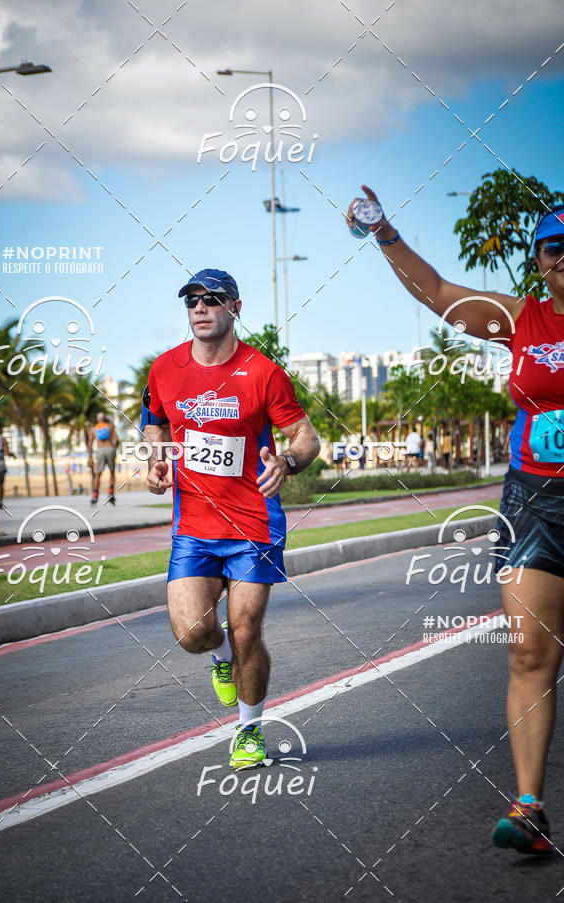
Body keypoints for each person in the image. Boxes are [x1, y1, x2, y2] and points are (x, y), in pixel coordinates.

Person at [347, 187, 564, 855]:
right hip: (536, 501)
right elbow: (439, 291)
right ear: (539, 260)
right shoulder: (522, 319)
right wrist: (384, 232)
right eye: (556, 249)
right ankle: (529, 808)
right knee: (530, 650)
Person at [144, 268, 319, 769]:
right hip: (193, 526)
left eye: (211, 299)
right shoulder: (164, 369)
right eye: (191, 300)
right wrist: (155, 460)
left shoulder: (263, 372)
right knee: (193, 634)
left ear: (235, 307)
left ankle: (248, 730)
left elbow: (306, 438)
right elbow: (156, 423)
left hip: (252, 525)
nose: (199, 308)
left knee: (246, 629)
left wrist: (285, 462)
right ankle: (219, 657)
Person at [87, 413, 119, 505]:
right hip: (110, 449)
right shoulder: (110, 426)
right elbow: (117, 440)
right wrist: (113, 448)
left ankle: (95, 495)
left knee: (98, 474)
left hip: (100, 450)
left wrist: (90, 457)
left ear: (98, 419)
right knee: (112, 472)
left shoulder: (94, 429)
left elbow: (89, 444)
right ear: (104, 419)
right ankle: (110, 492)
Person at [0, 421, 15, 508]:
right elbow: (7, 453)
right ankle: (0, 502)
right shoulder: (2, 439)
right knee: (0, 484)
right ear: (0, 428)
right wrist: (13, 455)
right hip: (0, 464)